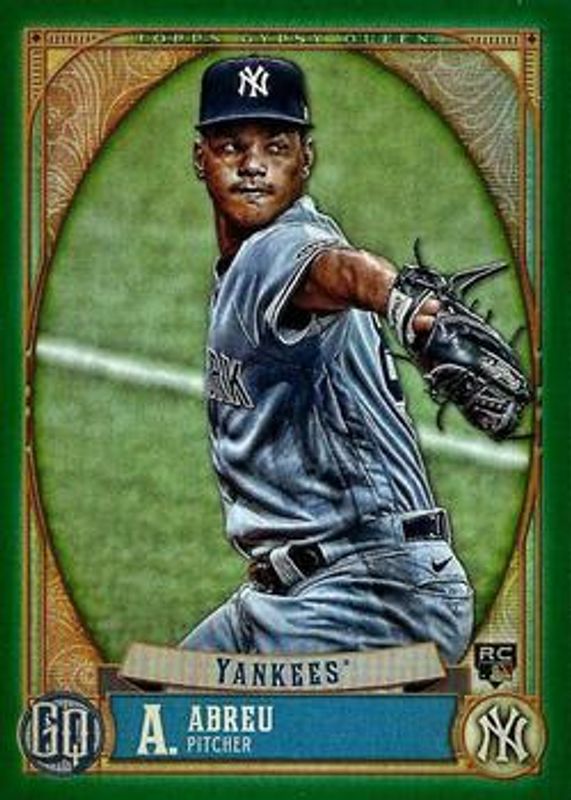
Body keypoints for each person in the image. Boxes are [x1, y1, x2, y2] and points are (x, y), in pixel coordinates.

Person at [179, 55, 473, 664]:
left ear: (305, 159)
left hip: (370, 594)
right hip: (298, 593)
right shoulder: (246, 266)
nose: (253, 165)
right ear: (199, 158)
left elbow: (341, 271)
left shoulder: (280, 248)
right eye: (232, 146)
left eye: (276, 146)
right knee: (136, 707)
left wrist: (401, 304)